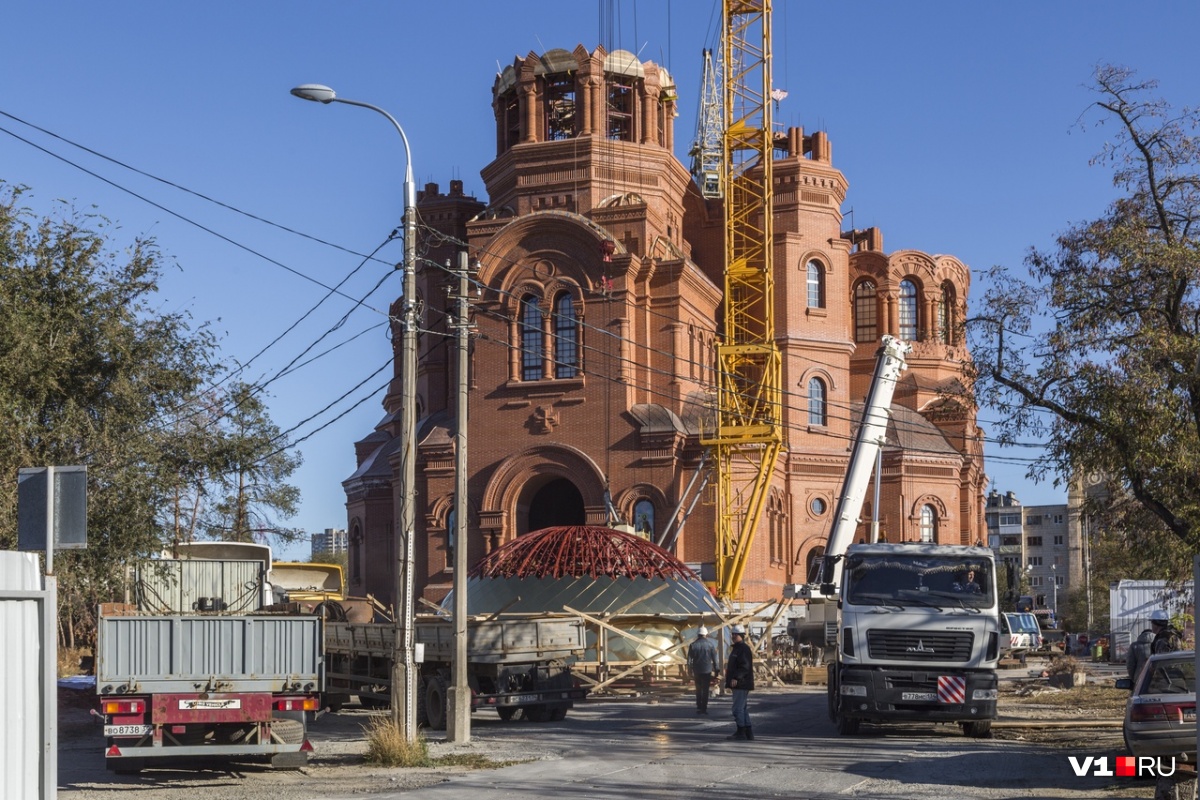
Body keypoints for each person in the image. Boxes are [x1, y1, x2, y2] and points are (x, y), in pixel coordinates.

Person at [724, 624, 755, 741]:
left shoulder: (743, 649)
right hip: (740, 683)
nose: (732, 636)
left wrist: (736, 678)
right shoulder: (737, 649)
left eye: (735, 634)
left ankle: (741, 732)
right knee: (743, 709)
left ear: (740, 635)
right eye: (732, 634)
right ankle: (748, 732)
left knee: (737, 709)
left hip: (741, 683)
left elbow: (745, 666)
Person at [687, 626, 720, 714]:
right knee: (705, 690)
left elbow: (689, 660)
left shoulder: (693, 645)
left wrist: (689, 670)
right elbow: (715, 659)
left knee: (698, 689)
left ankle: (699, 706)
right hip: (707, 671)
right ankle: (704, 708)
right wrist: (717, 670)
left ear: (698, 634)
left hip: (697, 670)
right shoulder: (710, 645)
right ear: (706, 634)